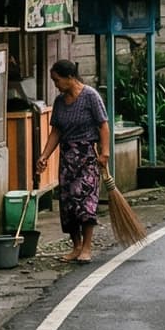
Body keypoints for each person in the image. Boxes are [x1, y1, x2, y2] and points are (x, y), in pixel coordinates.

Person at [38, 59, 110, 264]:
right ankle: (76, 246)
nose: (55, 85)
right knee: (68, 204)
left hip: (87, 157)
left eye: (57, 80)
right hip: (67, 158)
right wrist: (44, 156)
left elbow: (103, 125)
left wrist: (104, 153)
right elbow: (56, 132)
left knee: (85, 203)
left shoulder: (90, 96)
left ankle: (87, 247)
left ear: (70, 77)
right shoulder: (60, 102)